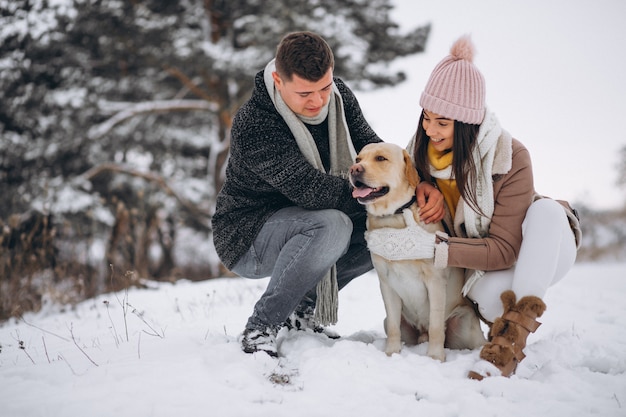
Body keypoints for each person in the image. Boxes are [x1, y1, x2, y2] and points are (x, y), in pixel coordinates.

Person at [212, 31, 442, 358]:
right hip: (248, 236)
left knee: (379, 223)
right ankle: (261, 326)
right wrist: (386, 191)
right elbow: (313, 190)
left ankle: (301, 311)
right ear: (278, 80)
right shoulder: (255, 123)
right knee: (335, 223)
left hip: (307, 223)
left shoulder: (339, 96)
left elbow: (375, 151)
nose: (318, 101)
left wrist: (417, 182)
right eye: (305, 92)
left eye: (324, 87)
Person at [365, 35, 582, 379]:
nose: (429, 130)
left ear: (466, 123)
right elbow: (403, 180)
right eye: (426, 117)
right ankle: (504, 322)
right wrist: (423, 183)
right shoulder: (419, 153)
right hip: (482, 260)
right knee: (491, 299)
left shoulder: (509, 157)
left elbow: (506, 249)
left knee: (548, 212)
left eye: (442, 123)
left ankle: (509, 345)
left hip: (542, 244)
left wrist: (436, 248)